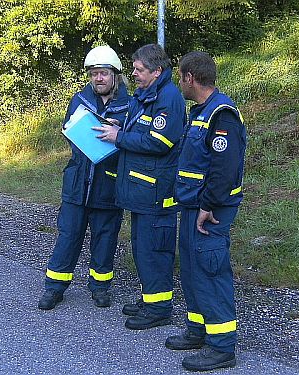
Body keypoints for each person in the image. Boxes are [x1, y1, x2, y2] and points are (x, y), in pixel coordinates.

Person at [165, 51, 247, 371]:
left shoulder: (221, 114)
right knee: (192, 270)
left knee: (211, 272)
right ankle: (199, 329)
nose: (179, 83)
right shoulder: (199, 111)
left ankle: (222, 346)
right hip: (191, 205)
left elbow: (224, 168)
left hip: (210, 210)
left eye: (180, 77)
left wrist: (208, 205)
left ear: (190, 78)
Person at [94, 44, 186, 330]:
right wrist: (116, 125)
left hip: (156, 193)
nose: (132, 73)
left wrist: (118, 137)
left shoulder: (168, 98)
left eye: (138, 69)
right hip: (141, 191)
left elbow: (160, 142)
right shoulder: (146, 94)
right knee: (142, 249)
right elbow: (137, 127)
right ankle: (150, 299)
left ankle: (159, 308)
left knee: (155, 251)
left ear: (157, 71)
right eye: (133, 68)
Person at [38, 45, 129, 310]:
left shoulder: (130, 105)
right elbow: (71, 133)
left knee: (105, 239)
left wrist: (120, 132)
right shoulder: (79, 100)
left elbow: (134, 141)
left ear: (115, 75)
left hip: (108, 185)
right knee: (68, 237)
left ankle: (100, 287)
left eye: (103, 73)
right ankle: (54, 288)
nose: (98, 78)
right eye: (93, 73)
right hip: (78, 183)